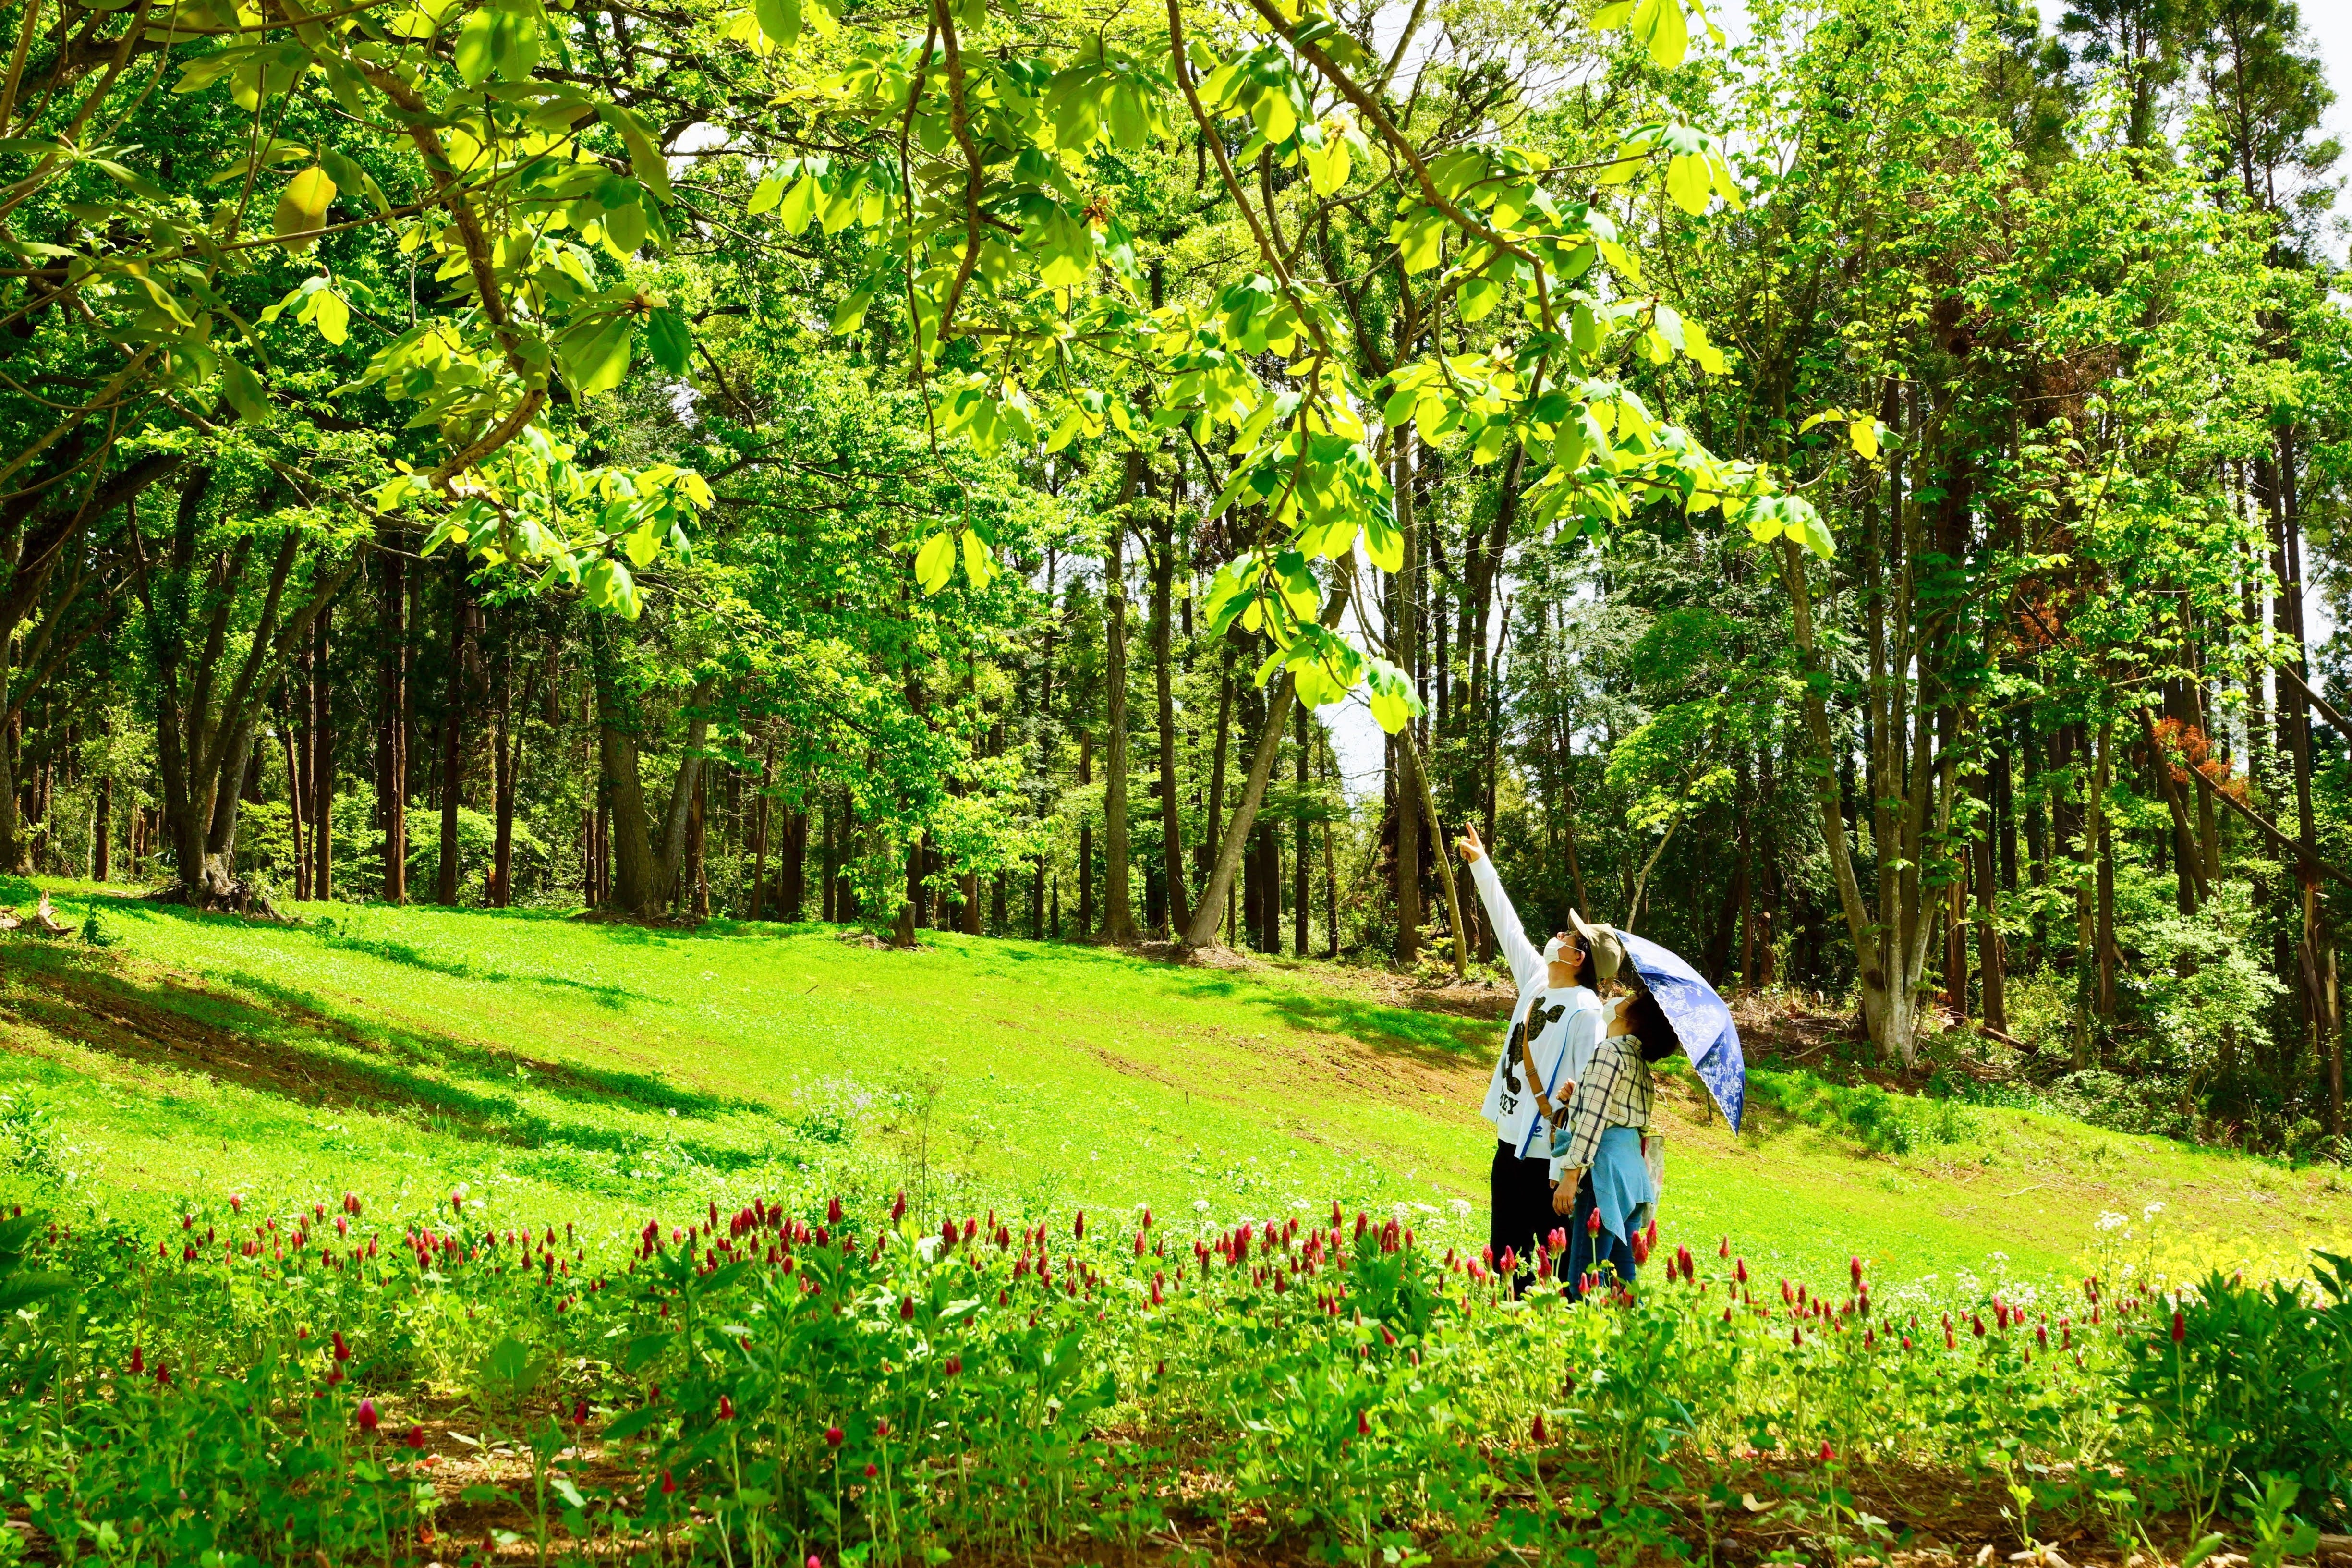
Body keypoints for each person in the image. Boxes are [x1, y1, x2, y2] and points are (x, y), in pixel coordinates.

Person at [1456, 824, 1626, 1294]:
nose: (1558, 934)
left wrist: (1567, 1174)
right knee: (1505, 1263)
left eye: (1568, 935)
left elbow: (1587, 1097)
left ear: (1577, 958)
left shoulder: (1587, 1013)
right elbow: (1508, 926)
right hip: (1508, 1148)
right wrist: (1481, 865)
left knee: (1550, 1277)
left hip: (1544, 1165)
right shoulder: (1536, 980)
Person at [1550, 976, 1679, 1294]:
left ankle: (1583, 1326)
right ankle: (1631, 1327)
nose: (1620, 999)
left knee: (1584, 1279)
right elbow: (1621, 1117)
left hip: (1604, 1174)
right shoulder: (1639, 1065)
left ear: (1635, 1017)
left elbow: (1594, 1120)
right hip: (1633, 1179)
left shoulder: (1609, 1051)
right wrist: (1579, 1097)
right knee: (1624, 1283)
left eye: (1630, 998)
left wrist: (1571, 1175)